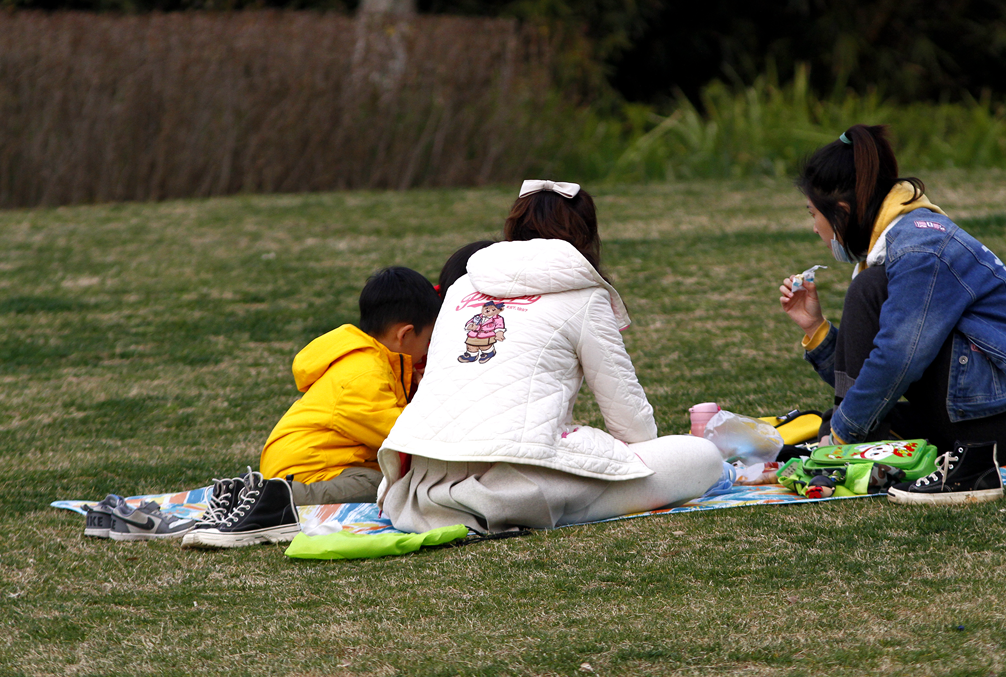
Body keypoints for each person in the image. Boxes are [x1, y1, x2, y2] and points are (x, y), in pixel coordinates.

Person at [375, 180, 724, 533]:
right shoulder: (584, 295)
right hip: (505, 490)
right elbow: (630, 423)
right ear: (585, 236)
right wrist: (642, 462)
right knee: (703, 458)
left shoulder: (462, 286)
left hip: (418, 489)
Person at [780, 124, 1006, 504]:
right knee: (865, 416)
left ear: (843, 212)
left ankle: (850, 449)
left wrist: (840, 435)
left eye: (813, 214)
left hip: (995, 416)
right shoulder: (905, 239)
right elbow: (877, 367)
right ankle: (857, 444)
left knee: (868, 294)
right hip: (980, 404)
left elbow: (897, 358)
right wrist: (816, 329)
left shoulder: (920, 250)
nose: (814, 228)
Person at [183, 266, 441, 548]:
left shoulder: (372, 362)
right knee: (384, 488)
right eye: (428, 340)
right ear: (404, 335)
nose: (429, 349)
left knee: (383, 481)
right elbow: (403, 437)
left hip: (317, 463)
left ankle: (263, 493)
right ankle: (274, 498)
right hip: (309, 470)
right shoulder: (364, 375)